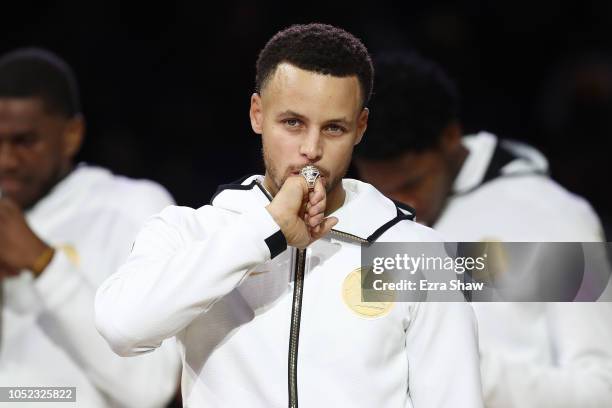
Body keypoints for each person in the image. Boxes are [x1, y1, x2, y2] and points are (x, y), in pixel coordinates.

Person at [95, 24, 484, 407]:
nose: (311, 149)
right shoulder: (189, 232)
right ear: (257, 114)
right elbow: (122, 328)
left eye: (334, 128)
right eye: (293, 123)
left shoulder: (412, 251)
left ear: (360, 128)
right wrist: (265, 231)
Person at [353, 51, 612, 407]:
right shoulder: (363, 215)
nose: (401, 205)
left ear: (450, 137)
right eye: (383, 188)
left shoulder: (551, 217)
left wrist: (467, 371)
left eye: (412, 183)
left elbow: (600, 390)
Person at [0, 48, 180, 407]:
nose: (6, 160)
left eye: (24, 142)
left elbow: (151, 386)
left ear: (71, 134)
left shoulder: (134, 208)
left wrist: (45, 265)